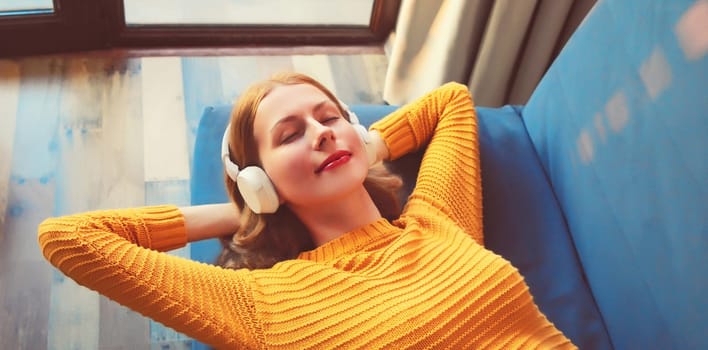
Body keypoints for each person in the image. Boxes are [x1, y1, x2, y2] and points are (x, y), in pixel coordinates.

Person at [38, 72, 575, 349]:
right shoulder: (262, 304)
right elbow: (69, 239)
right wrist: (246, 210)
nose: (321, 133)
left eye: (328, 118)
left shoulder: (439, 221)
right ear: (258, 180)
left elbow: (450, 102)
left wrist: (371, 146)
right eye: (291, 134)